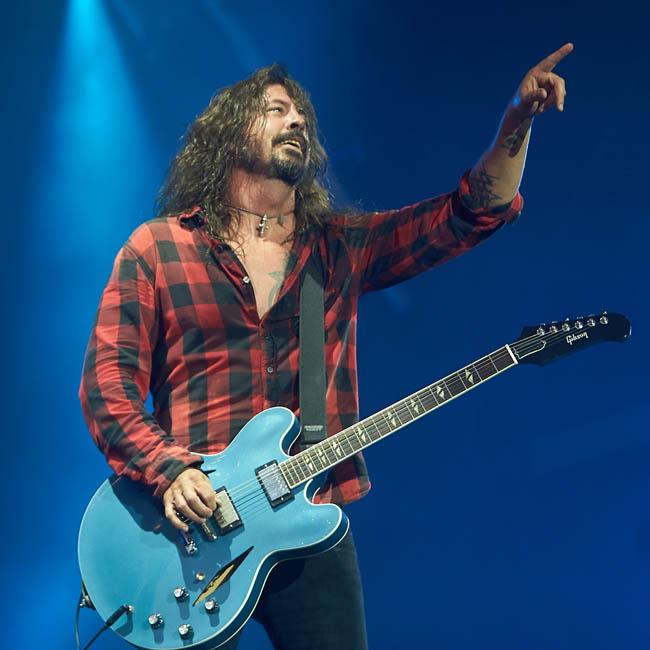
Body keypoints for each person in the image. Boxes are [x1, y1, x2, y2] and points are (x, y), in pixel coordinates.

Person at [80, 44, 572, 649]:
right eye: (275, 109)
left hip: (306, 519)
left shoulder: (337, 247)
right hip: (184, 532)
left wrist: (515, 123)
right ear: (228, 133)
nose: (296, 120)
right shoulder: (158, 249)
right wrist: (169, 470)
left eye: (302, 115)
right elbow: (106, 387)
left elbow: (469, 213)